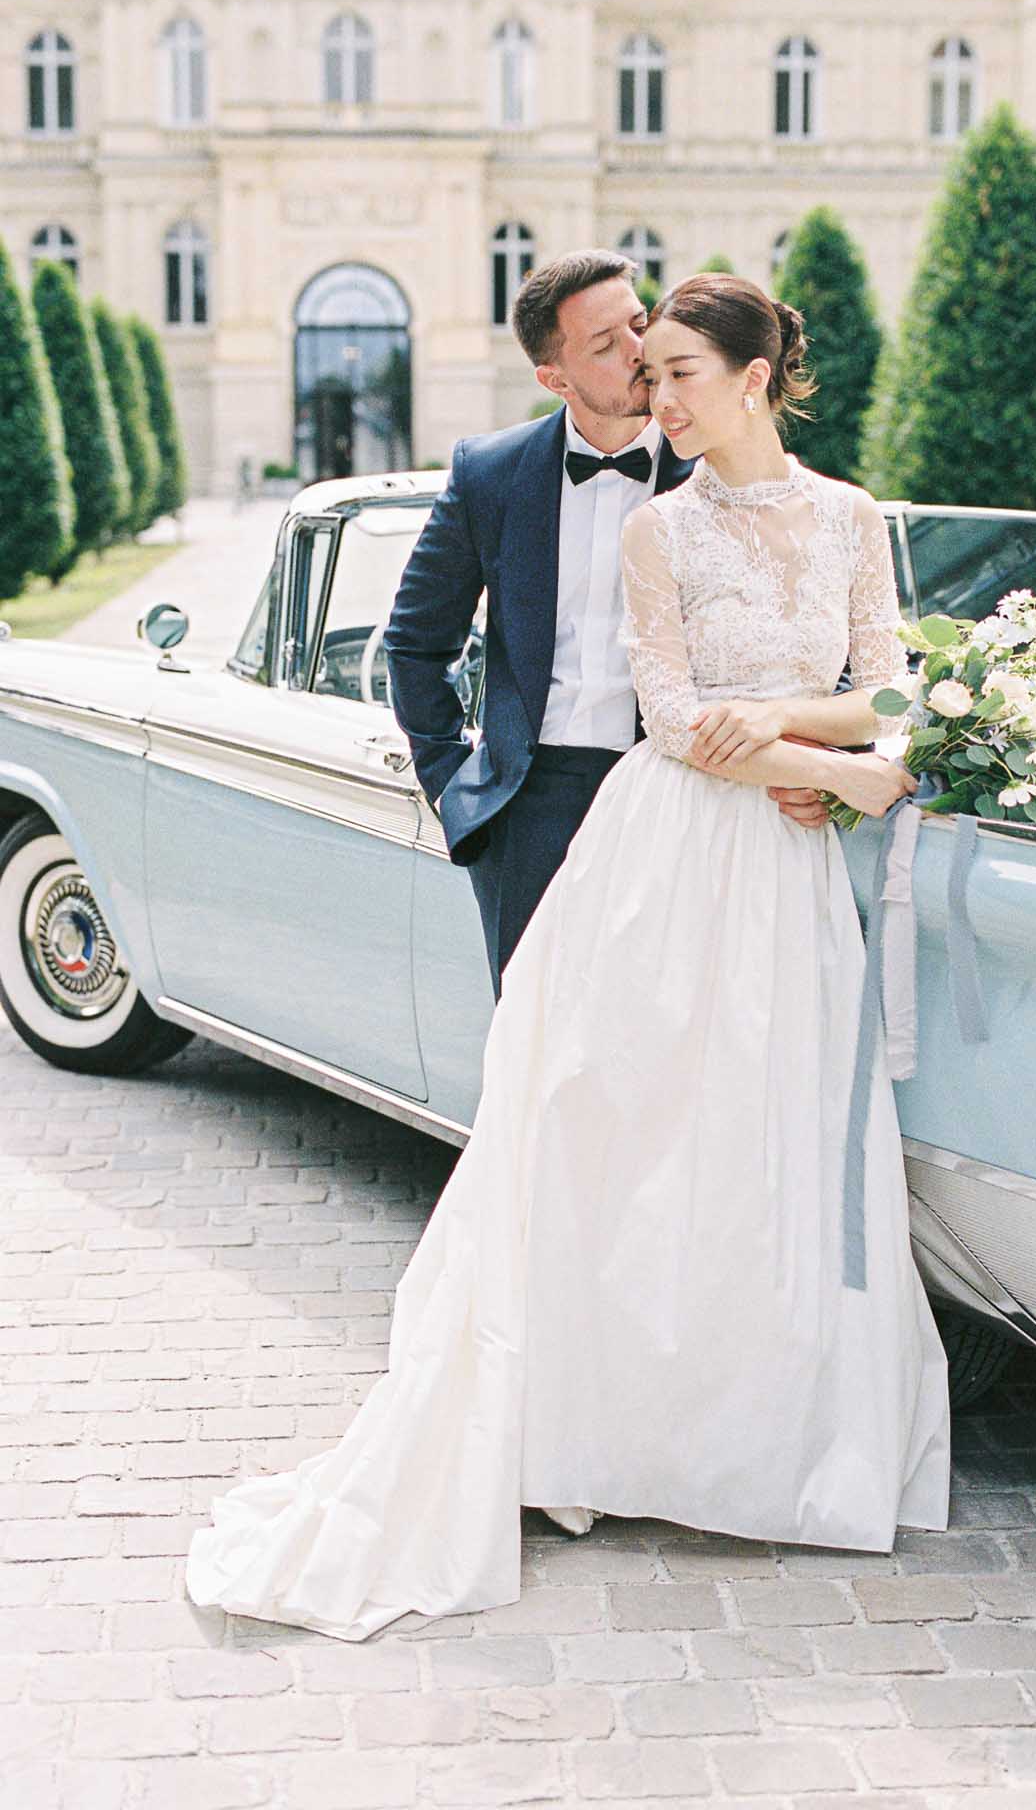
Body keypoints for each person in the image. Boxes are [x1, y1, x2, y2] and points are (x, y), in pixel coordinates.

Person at [182, 274, 950, 1642]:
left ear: (754, 375)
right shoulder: (628, 519)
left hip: (780, 856)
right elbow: (645, 714)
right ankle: (588, 1412)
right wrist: (464, 793)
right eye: (630, 366)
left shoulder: (844, 514)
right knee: (591, 1116)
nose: (651, 392)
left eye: (670, 369)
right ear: (558, 371)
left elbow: (885, 683)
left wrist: (819, 756)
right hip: (626, 841)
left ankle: (753, 1424)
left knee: (769, 1127)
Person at [380, 249, 828, 995]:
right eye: (604, 345)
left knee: (670, 1031)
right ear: (553, 379)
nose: (638, 354)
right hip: (530, 807)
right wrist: (455, 781)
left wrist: (808, 761)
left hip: (689, 792)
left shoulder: (725, 466)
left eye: (638, 324)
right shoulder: (487, 474)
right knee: (540, 1041)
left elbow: (806, 638)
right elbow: (415, 641)